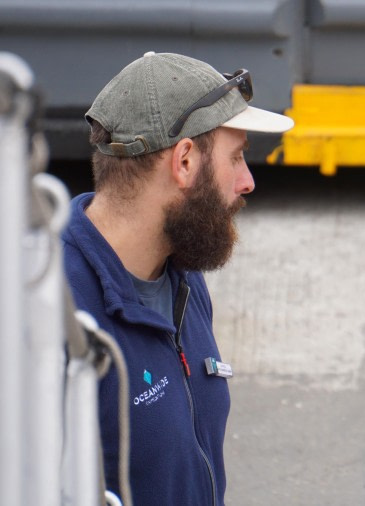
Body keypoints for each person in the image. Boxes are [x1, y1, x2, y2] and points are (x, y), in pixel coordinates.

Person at [61, 52, 294, 505]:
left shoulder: (180, 275)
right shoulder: (53, 318)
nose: (247, 182)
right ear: (185, 161)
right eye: (237, 157)